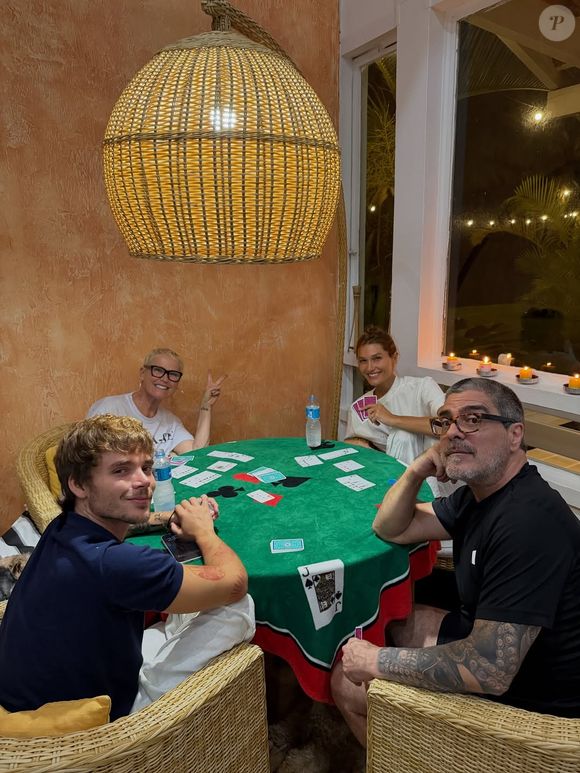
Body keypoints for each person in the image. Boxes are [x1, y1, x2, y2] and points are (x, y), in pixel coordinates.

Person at [332, 378, 580, 744]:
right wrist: (417, 468)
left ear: (515, 435)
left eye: (473, 419)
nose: (453, 433)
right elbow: (391, 528)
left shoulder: (527, 520)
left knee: (343, 681)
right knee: (397, 621)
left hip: (535, 699)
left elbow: (491, 670)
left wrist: (375, 661)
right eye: (446, 421)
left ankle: (405, 758)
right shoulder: (481, 495)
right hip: (494, 644)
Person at [0, 415, 254, 720]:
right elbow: (235, 581)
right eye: (121, 470)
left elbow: (118, 518)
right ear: (78, 484)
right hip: (94, 720)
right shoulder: (117, 564)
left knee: (179, 608)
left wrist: (168, 516)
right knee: (239, 606)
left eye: (146, 468)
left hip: (34, 698)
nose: (144, 481)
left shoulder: (62, 526)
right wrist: (203, 531)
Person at [87, 347, 226, 456]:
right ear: (142, 373)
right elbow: (91, 459)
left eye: (173, 374)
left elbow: (197, 453)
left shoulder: (171, 422)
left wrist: (206, 406)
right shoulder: (108, 409)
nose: (165, 379)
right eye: (158, 370)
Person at [345, 326, 444, 465]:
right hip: (381, 475)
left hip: (431, 475)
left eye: (377, 358)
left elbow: (449, 425)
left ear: (394, 358)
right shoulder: (358, 408)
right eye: (363, 361)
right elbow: (353, 450)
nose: (369, 367)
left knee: (403, 435)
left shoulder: (422, 388)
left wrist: (392, 419)